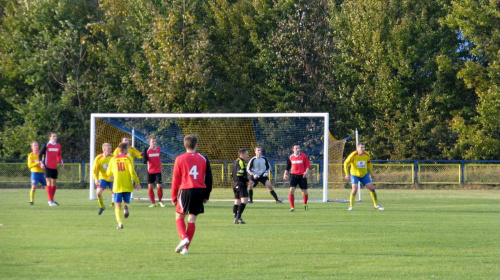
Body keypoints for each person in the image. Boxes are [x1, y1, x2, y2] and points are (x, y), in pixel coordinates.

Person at [171, 135, 213, 255]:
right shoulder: (203, 159)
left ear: (185, 145)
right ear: (196, 145)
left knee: (179, 216)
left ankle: (184, 237)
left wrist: (174, 197)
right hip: (199, 191)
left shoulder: (179, 159)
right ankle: (185, 249)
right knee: (192, 220)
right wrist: (206, 195)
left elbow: (175, 180)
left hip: (186, 190)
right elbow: (209, 178)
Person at [107, 143, 141, 229]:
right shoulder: (129, 158)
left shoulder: (113, 159)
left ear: (118, 150)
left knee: (117, 205)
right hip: (127, 185)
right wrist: (137, 182)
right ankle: (125, 207)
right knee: (125, 202)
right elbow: (132, 172)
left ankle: (120, 223)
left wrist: (112, 176)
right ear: (126, 150)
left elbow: (108, 173)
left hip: (117, 185)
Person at [344, 142, 384, 211]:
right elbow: (346, 163)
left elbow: (369, 163)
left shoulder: (366, 155)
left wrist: (371, 173)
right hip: (354, 174)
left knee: (372, 188)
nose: (363, 149)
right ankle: (351, 206)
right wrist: (347, 173)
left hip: (364, 175)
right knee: (354, 188)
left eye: (364, 147)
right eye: (361, 147)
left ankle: (376, 205)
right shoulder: (353, 155)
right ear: (357, 148)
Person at [112, 136, 142, 206]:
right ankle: (116, 201)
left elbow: (138, 155)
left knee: (126, 186)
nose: (127, 141)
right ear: (122, 141)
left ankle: (122, 202)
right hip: (119, 171)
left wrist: (142, 155)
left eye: (128, 140)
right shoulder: (117, 149)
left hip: (127, 171)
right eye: (125, 140)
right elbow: (113, 158)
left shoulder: (131, 149)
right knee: (116, 186)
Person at [39, 132, 64, 206]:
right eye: (53, 136)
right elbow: (40, 155)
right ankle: (50, 201)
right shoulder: (46, 145)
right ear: (49, 137)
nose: (55, 138)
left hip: (54, 166)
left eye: (55, 136)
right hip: (47, 166)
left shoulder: (58, 145)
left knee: (54, 183)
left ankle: (52, 200)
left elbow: (58, 155)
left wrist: (61, 162)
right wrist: (41, 163)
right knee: (48, 182)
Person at [283, 144, 310, 212]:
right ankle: (292, 207)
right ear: (293, 149)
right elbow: (288, 166)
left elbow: (307, 165)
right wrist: (285, 174)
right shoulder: (291, 157)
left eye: (298, 148)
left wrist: (306, 172)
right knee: (291, 190)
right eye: (296, 148)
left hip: (302, 176)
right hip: (293, 175)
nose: (298, 149)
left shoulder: (303, 156)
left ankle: (305, 204)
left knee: (304, 192)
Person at [143, 137, 164, 208]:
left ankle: (160, 201)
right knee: (150, 187)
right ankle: (153, 202)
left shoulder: (158, 149)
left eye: (155, 141)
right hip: (150, 171)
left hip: (158, 171)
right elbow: (145, 160)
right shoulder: (147, 150)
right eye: (153, 141)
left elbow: (159, 157)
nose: (154, 142)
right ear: (149, 143)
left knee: (159, 186)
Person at [93, 143, 114, 215]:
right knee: (98, 193)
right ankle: (102, 207)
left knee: (115, 192)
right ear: (104, 149)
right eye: (109, 149)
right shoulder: (98, 159)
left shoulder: (113, 157)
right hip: (103, 178)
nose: (110, 150)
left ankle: (116, 205)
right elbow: (94, 171)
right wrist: (96, 179)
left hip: (112, 178)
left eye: (111, 148)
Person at [232, 148, 250, 224]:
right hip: (240, 184)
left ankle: (235, 218)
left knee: (237, 202)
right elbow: (240, 174)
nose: (248, 155)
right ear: (241, 155)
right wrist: (248, 180)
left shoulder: (235, 162)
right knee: (244, 201)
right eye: (246, 154)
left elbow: (231, 174)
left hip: (235, 183)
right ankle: (238, 217)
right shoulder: (241, 162)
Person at [27, 141, 47, 206]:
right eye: (35, 145)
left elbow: (43, 161)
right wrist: (38, 163)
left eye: (37, 145)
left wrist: (42, 164)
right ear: (32, 147)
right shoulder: (31, 155)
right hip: (35, 173)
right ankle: (31, 201)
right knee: (34, 186)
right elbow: (30, 165)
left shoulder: (41, 154)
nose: (36, 146)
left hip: (42, 173)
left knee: (47, 187)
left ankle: (51, 200)